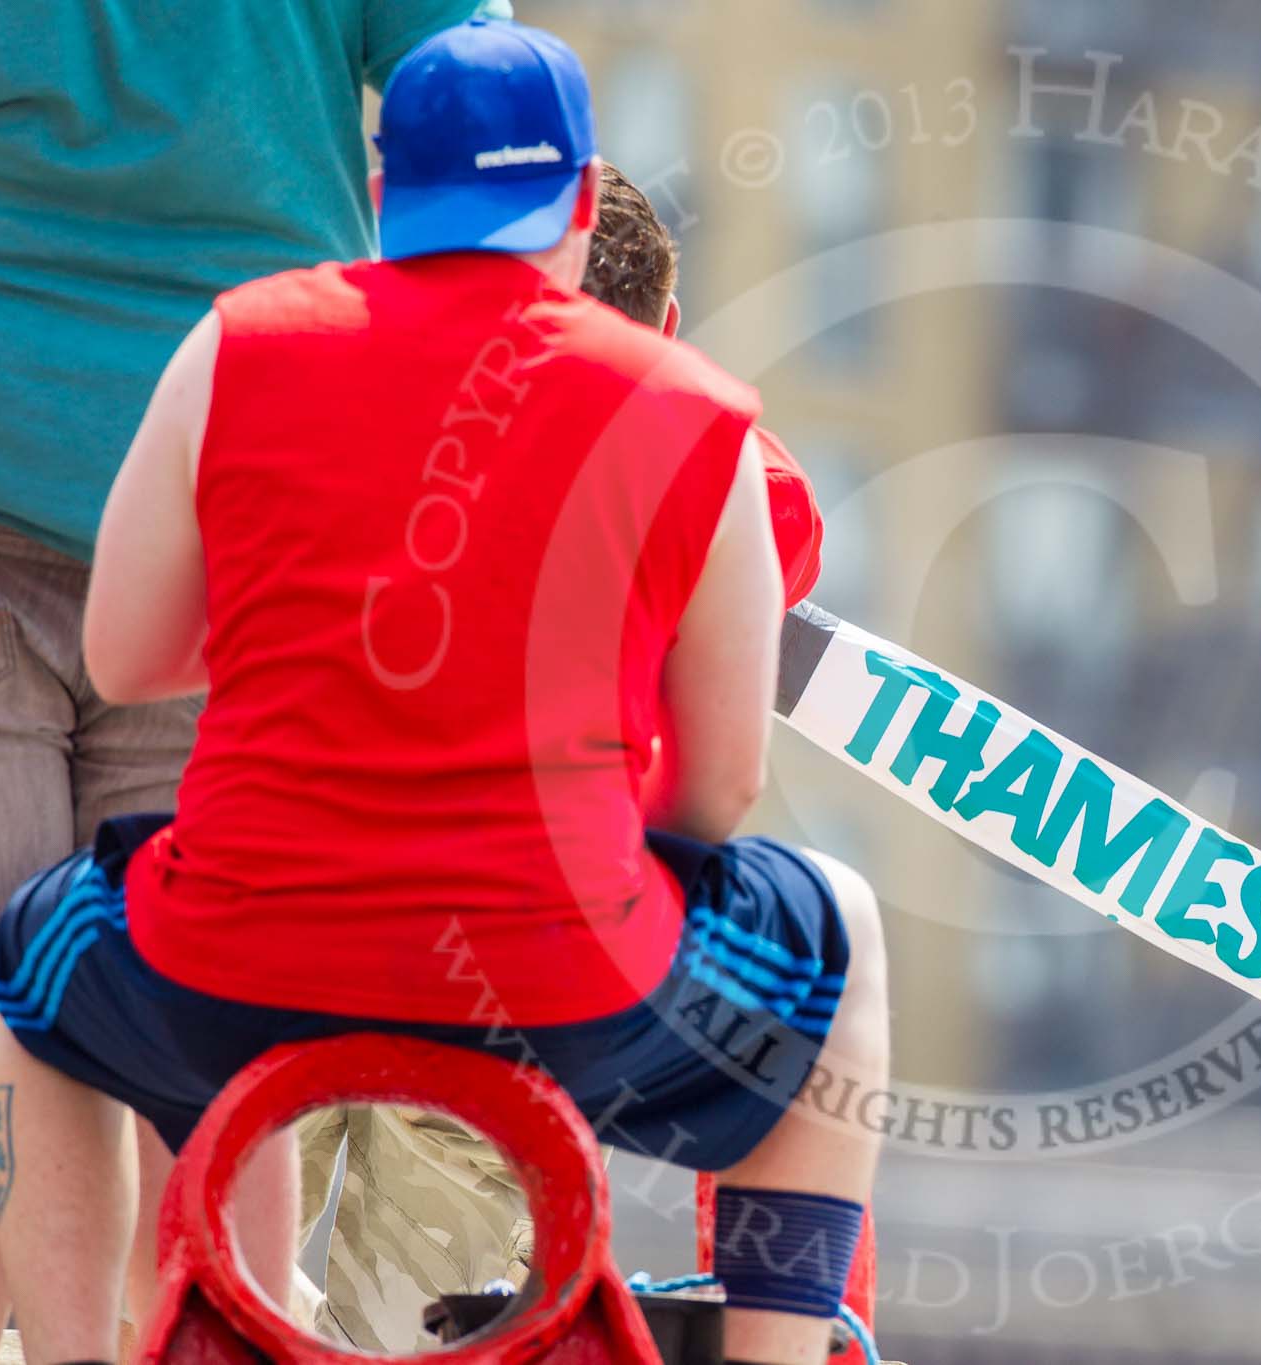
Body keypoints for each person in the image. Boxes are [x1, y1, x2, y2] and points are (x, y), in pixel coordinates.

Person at [0, 20, 888, 1365]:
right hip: (560, 979)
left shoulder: (240, 345)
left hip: (245, 959)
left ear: (386, 183)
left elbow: (126, 660)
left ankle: (66, 1356)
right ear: (581, 202)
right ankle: (781, 1351)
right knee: (844, 945)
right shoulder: (690, 405)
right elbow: (723, 784)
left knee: (23, 974)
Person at [0, 0, 511, 1344]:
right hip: (252, 506)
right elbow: (482, 102)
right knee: (222, 1016)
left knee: (2, 1003)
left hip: (38, 465)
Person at [292, 159, 835, 1350]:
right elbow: (717, 767)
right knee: (424, 1324)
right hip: (510, 970)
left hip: (273, 920)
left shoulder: (328, 402)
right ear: (666, 334)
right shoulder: (723, 472)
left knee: (187, 1279)